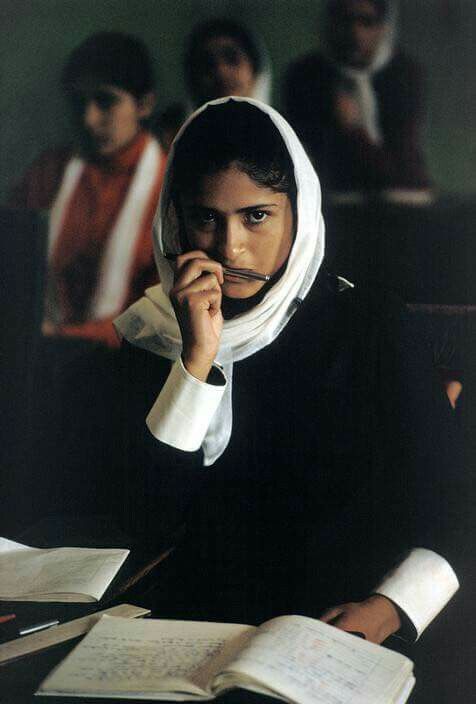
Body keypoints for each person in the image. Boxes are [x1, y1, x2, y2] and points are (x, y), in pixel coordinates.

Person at [115, 98, 463, 645]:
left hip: (335, 631)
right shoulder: (149, 332)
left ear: (298, 212)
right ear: (173, 219)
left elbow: (456, 500)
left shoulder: (369, 330)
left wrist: (389, 609)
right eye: (206, 217)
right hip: (183, 633)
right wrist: (196, 360)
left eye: (257, 216)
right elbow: (141, 524)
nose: (230, 247)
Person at [8, 32, 166, 347]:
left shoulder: (169, 188)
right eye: (79, 102)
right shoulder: (49, 172)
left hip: (125, 363)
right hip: (34, 351)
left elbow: (159, 315)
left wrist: (64, 337)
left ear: (144, 104)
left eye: (105, 101)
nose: (89, 119)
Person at [284, 0, 431, 200]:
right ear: (331, 23)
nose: (356, 33)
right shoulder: (304, 77)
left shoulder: (404, 75)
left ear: (383, 28)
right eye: (346, 21)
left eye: (367, 22)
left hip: (396, 200)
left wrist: (354, 129)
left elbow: (404, 173)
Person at [184, 18, 272, 108]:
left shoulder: (284, 121)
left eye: (232, 59)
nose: (221, 71)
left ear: (255, 69)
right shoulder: (175, 121)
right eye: (208, 64)